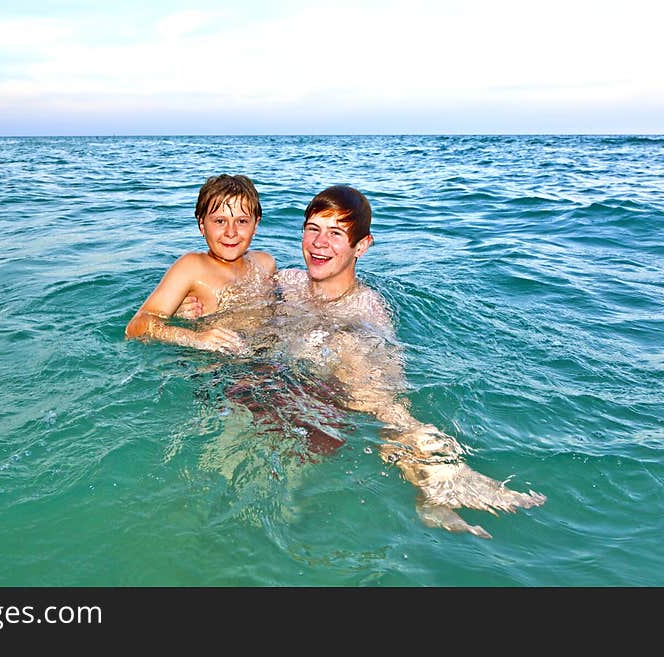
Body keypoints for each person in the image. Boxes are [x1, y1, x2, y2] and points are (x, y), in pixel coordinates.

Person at [177, 185, 546, 538]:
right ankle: (435, 485)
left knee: (374, 388)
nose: (320, 243)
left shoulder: (367, 310)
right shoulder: (283, 281)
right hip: (263, 384)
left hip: (322, 402)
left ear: (362, 246)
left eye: (336, 233)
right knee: (224, 497)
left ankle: (443, 475)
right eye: (312, 230)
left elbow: (382, 392)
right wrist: (193, 311)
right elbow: (234, 305)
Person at [125, 174, 276, 353]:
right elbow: (135, 326)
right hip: (220, 366)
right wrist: (193, 336)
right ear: (202, 224)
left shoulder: (265, 263)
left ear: (255, 225)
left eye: (241, 221)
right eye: (220, 221)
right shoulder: (192, 267)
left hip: (269, 354)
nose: (231, 232)